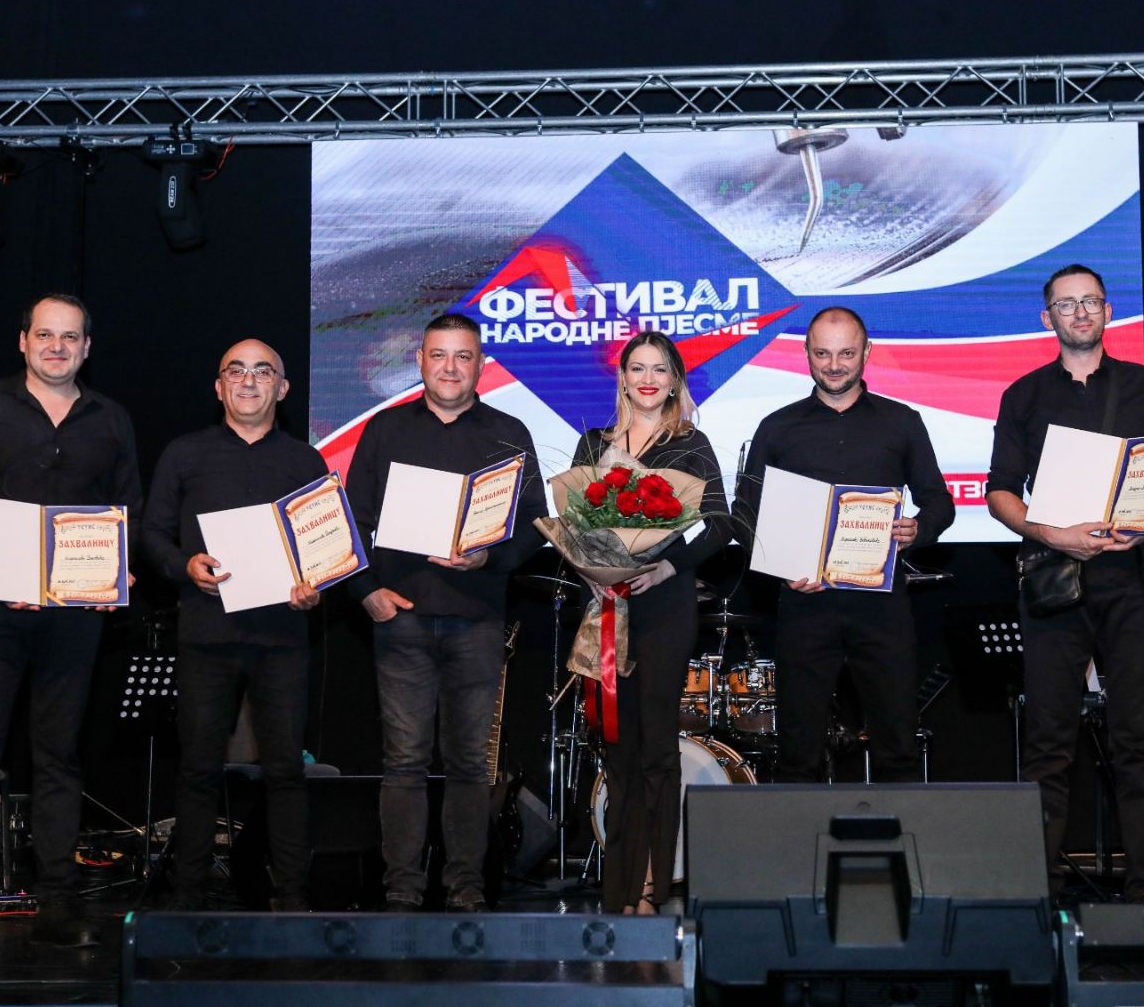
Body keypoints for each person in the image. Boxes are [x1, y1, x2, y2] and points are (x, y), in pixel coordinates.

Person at [0, 293, 143, 953]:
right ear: (23, 341)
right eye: (45, 335)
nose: (56, 346)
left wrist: (119, 569)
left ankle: (57, 902)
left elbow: (127, 509)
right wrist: (5, 570)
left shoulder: (111, 419)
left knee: (59, 756)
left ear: (86, 347)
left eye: (69, 337)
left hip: (73, 616)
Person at [985, 264, 1144, 902]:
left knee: (1136, 738)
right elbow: (998, 493)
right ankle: (1041, 887)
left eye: (1090, 302)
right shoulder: (1023, 395)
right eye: (1066, 304)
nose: (1080, 313)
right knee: (1048, 742)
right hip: (1056, 584)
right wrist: (1050, 533)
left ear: (1108, 311)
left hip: (1133, 583)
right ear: (1046, 318)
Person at [345, 313, 544, 913]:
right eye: (438, 355)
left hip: (477, 618)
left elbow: (534, 527)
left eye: (463, 356)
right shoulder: (385, 429)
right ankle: (402, 890)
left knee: (468, 765)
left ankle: (465, 889)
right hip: (400, 620)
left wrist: (487, 558)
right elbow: (350, 521)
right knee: (403, 763)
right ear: (421, 362)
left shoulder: (508, 432)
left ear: (481, 365)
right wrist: (366, 592)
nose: (450, 367)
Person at [141, 339, 328, 912]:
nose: (249, 381)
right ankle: (187, 899)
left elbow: (324, 548)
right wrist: (184, 565)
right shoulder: (184, 453)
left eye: (263, 371)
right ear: (219, 386)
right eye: (236, 371)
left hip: (283, 639)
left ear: (283, 387)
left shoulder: (307, 462)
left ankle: (292, 898)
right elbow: (152, 533)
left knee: (286, 772)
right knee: (198, 770)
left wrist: (315, 585)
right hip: (207, 636)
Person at [734, 307, 954, 784]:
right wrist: (779, 565)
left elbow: (940, 502)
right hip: (804, 604)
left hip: (882, 607)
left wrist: (918, 529)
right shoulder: (777, 427)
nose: (834, 365)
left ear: (867, 352)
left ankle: (901, 833)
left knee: (897, 744)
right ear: (806, 353)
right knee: (798, 751)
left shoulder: (902, 422)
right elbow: (745, 513)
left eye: (846, 353)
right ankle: (802, 834)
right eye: (822, 353)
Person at [571, 331, 730, 914]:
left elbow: (719, 524)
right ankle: (619, 885)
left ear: (674, 381)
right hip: (608, 610)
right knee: (617, 750)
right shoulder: (593, 444)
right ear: (622, 377)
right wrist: (590, 571)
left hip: (665, 608)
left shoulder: (689, 444)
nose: (647, 379)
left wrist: (667, 566)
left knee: (657, 750)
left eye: (659, 369)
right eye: (637, 368)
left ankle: (651, 887)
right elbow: (574, 525)